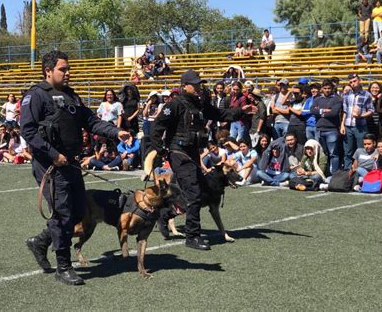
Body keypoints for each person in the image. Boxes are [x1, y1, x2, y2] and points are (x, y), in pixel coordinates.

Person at [20, 50, 130, 286]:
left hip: (70, 162)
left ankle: (40, 242)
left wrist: (115, 132)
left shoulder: (71, 96)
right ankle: (63, 266)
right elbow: (28, 131)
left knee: (79, 212)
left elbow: (90, 121)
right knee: (63, 214)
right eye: (63, 69)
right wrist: (53, 154)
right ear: (48, 70)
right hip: (50, 165)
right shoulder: (36, 95)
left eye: (68, 69)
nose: (68, 73)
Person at [150, 69, 256, 250]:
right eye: (196, 84)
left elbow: (221, 115)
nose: (200, 87)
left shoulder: (199, 105)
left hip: (192, 154)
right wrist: (162, 151)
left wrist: (241, 111)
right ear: (185, 86)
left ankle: (165, 214)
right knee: (193, 193)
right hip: (178, 153)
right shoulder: (175, 104)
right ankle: (193, 236)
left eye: (201, 84)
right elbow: (157, 127)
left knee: (198, 190)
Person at [341, 74, 374, 170]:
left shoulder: (367, 94)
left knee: (361, 150)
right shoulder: (346, 95)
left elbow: (371, 110)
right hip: (348, 125)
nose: (353, 84)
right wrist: (342, 125)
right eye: (351, 82)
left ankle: (361, 171)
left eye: (355, 81)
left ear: (359, 80)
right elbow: (345, 111)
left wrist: (361, 115)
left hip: (360, 126)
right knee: (348, 151)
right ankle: (347, 171)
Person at [311, 79, 342, 175]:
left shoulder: (337, 99)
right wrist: (324, 111)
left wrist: (320, 111)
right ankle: (324, 173)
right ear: (322, 89)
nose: (327, 90)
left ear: (332, 88)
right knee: (322, 154)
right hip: (319, 129)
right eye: (325, 88)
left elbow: (334, 113)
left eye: (329, 88)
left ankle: (334, 174)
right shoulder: (317, 99)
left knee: (333, 154)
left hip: (331, 129)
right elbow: (312, 110)